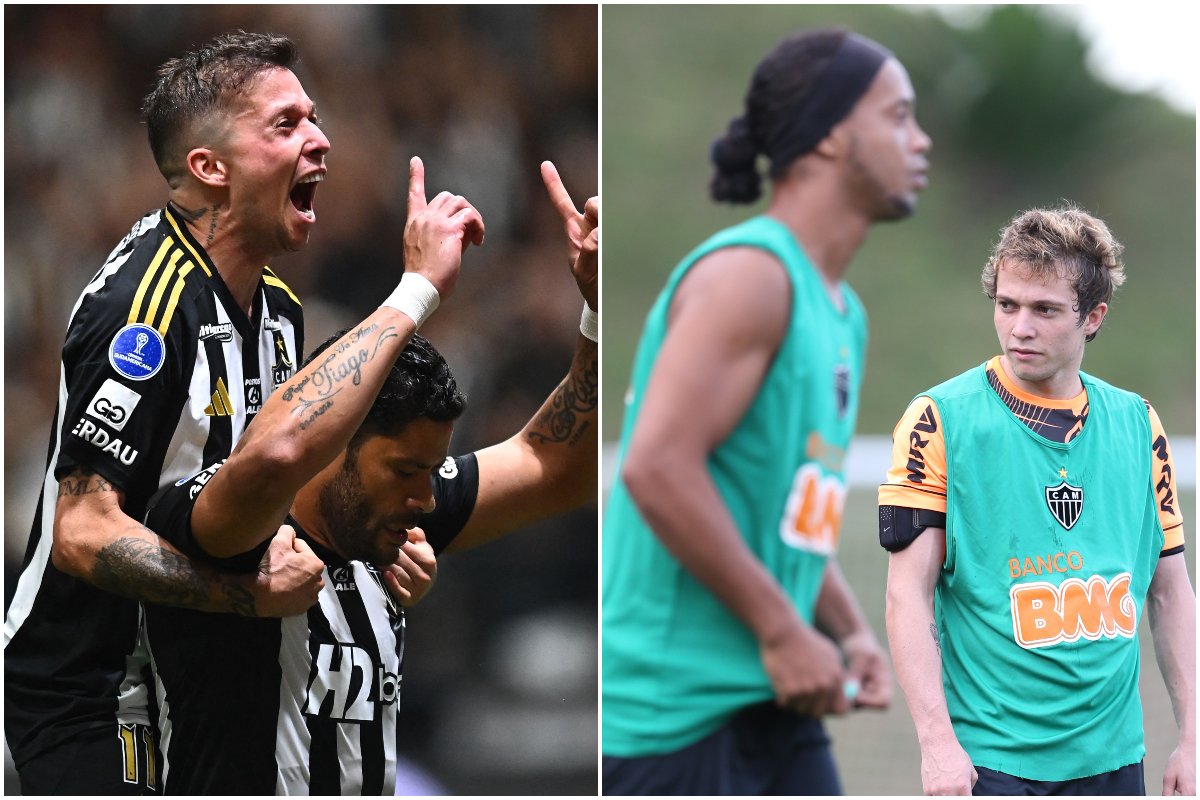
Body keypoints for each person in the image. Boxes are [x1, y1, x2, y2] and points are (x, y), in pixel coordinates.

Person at [3, 30, 483, 795]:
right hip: (95, 698)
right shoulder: (145, 308)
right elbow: (83, 531)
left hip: (193, 677)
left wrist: (370, 555)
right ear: (209, 168)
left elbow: (266, 498)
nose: (322, 141)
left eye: (315, 119)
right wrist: (240, 596)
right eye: (286, 125)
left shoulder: (280, 313)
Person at [137, 165, 598, 794]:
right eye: (405, 470)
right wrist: (416, 291)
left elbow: (556, 466)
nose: (427, 496)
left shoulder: (391, 525)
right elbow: (275, 455)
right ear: (334, 447)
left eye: (431, 471)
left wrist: (596, 312)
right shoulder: (232, 528)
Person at [602, 27, 931, 795]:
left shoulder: (843, 311)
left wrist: (845, 630)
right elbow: (654, 467)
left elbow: (782, 507)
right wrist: (784, 630)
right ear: (828, 137)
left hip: (771, 698)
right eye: (899, 116)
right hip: (671, 719)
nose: (921, 140)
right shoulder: (750, 276)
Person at [881, 204, 1195, 796]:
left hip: (1114, 761)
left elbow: (1172, 589)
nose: (1020, 327)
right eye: (1008, 305)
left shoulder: (1138, 423)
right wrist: (937, 746)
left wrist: (1194, 738)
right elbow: (906, 593)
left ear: (1093, 317)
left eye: (1045, 310)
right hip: (991, 761)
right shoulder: (939, 419)